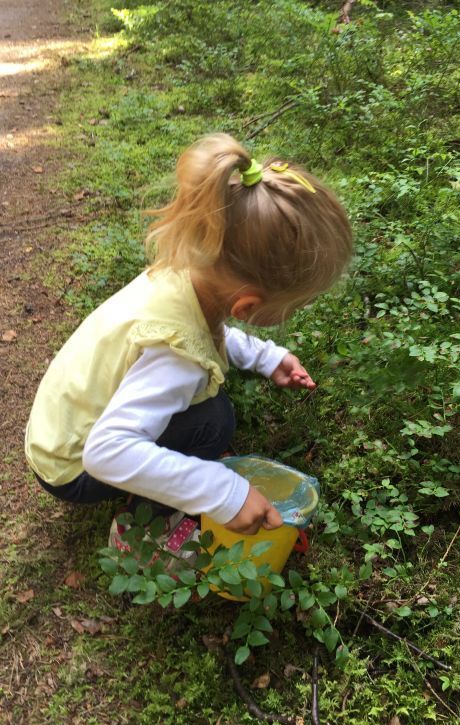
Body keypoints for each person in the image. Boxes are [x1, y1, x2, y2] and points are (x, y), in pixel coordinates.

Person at [25, 133, 353, 556]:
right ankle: (143, 529)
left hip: (58, 429)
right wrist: (221, 492)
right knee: (214, 422)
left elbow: (209, 332)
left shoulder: (186, 274)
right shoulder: (177, 358)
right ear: (248, 304)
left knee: (212, 414)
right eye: (297, 306)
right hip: (71, 466)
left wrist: (266, 357)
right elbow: (106, 454)